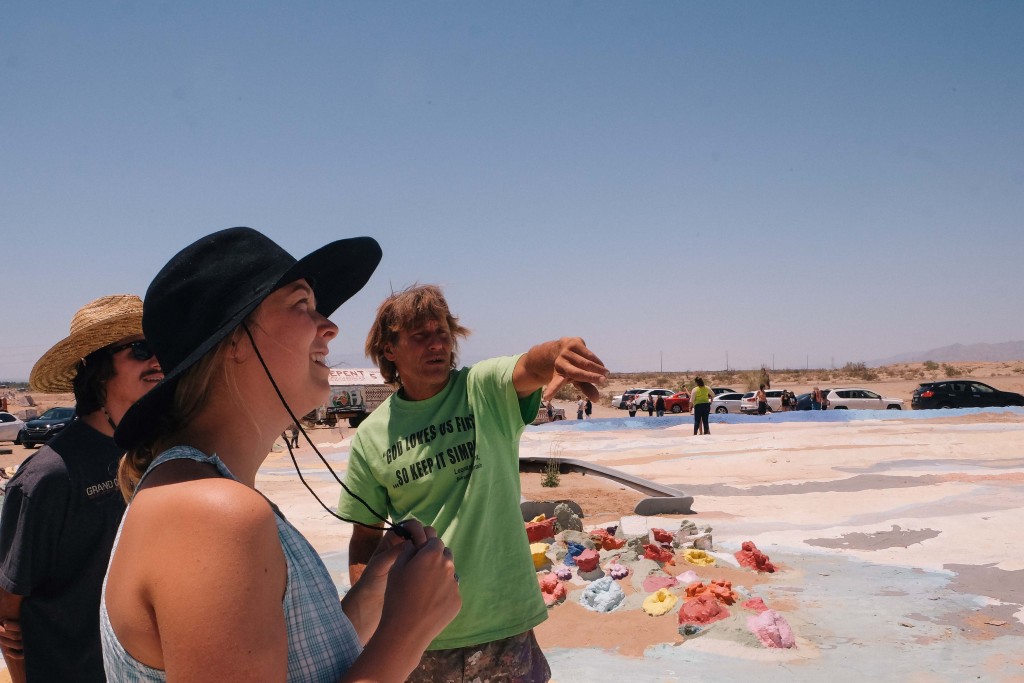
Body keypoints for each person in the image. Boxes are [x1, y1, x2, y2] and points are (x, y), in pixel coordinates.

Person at [101, 228, 461, 682]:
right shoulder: (211, 514)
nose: (329, 325)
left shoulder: (208, 494)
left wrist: (373, 589)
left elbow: (298, 660)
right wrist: (410, 630)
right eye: (301, 305)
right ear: (233, 341)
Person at [340, 284, 608, 683]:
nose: (436, 345)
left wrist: (558, 350)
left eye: (442, 334)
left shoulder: (483, 389)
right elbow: (365, 537)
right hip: (420, 635)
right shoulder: (372, 435)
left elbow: (529, 367)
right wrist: (375, 622)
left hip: (505, 623)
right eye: (420, 336)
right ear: (389, 350)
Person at [0, 295, 163, 683]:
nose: (158, 361)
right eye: (141, 349)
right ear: (97, 369)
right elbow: (10, 608)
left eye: (162, 349)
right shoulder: (49, 475)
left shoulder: (152, 451)